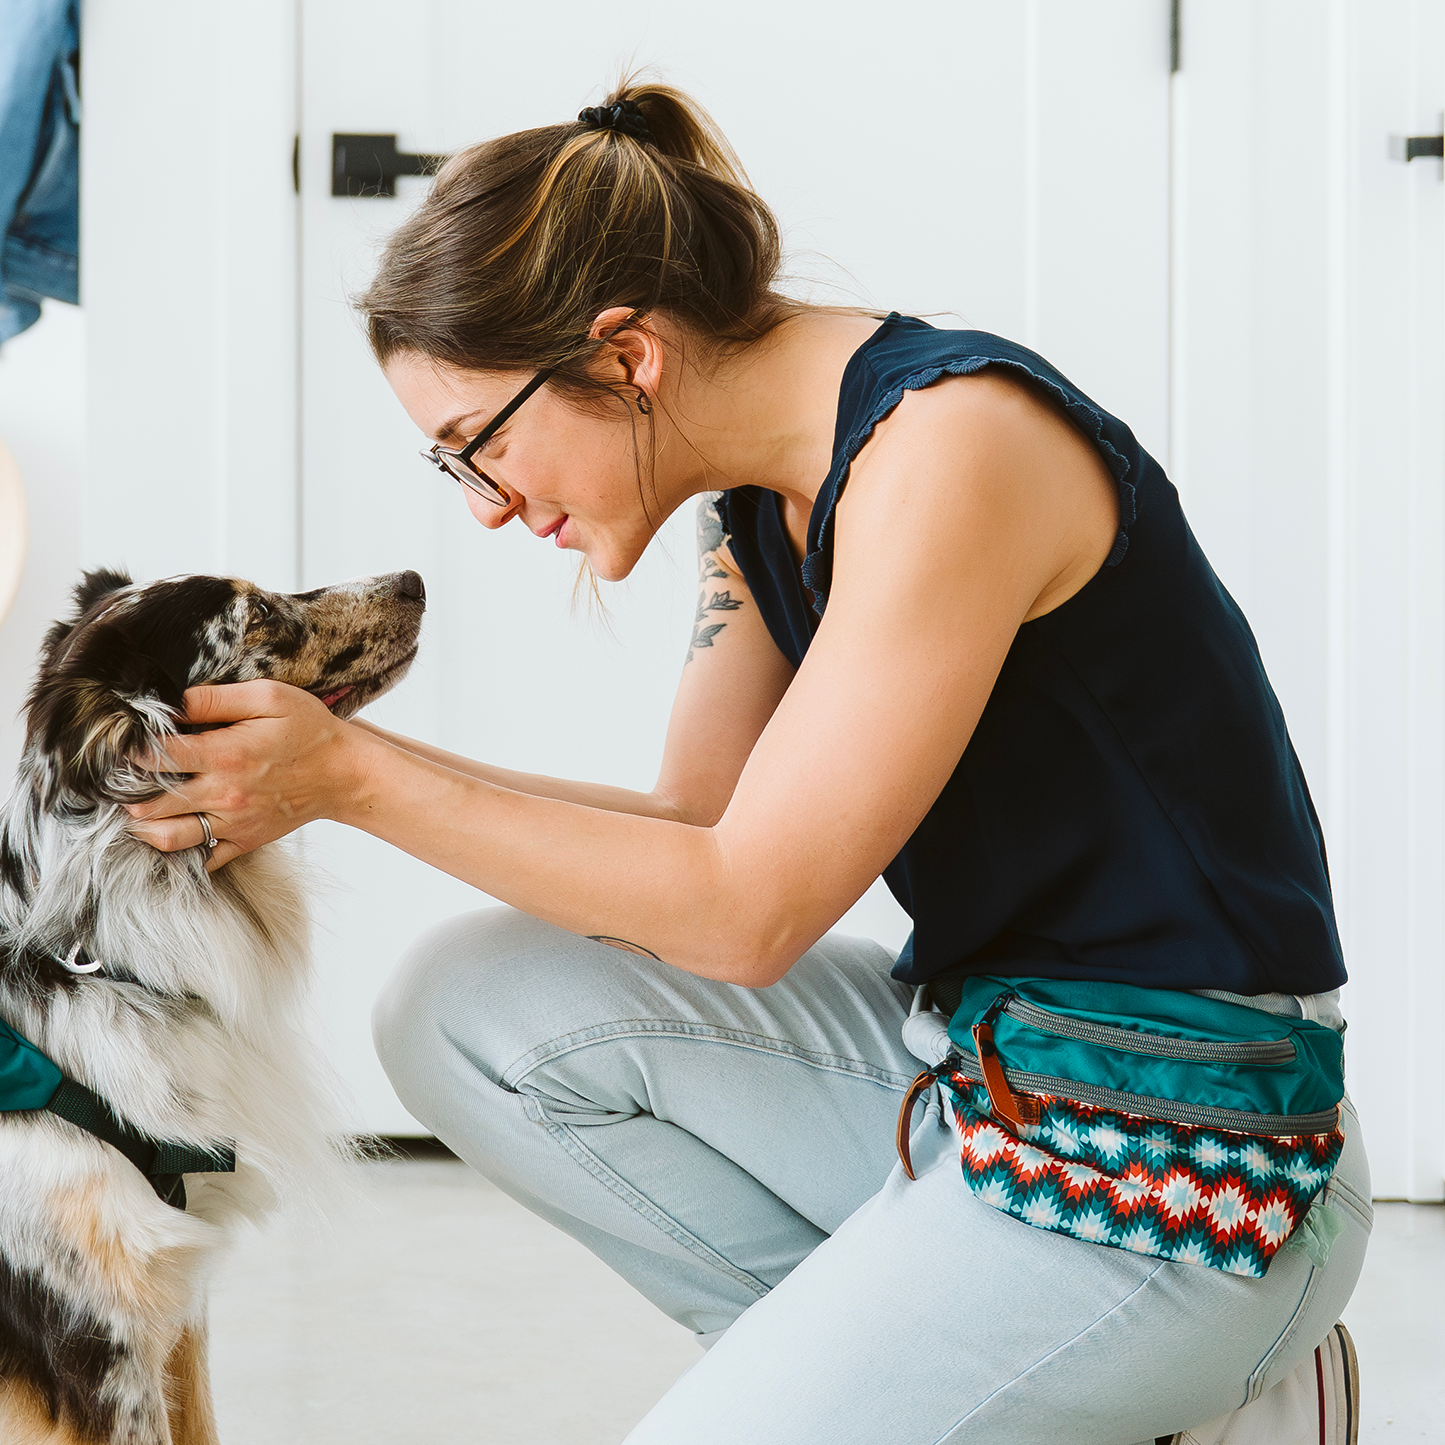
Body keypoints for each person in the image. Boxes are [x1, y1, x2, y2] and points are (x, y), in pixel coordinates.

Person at [127, 80, 1372, 1445]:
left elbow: (743, 912)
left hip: (1199, 1157)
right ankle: (1055, 1402)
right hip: (984, 1075)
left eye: (476, 448)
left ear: (624, 356)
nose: (487, 510)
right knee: (461, 1005)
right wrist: (338, 761)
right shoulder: (760, 509)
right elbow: (695, 826)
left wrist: (348, 780)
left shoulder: (951, 449)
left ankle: (1179, 1373)